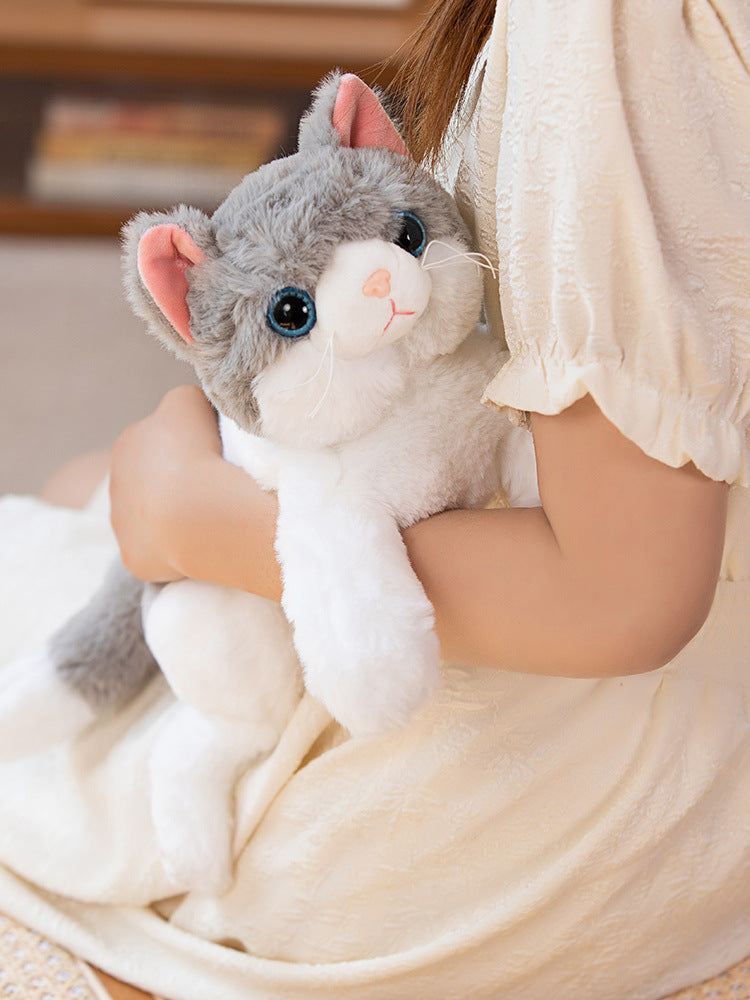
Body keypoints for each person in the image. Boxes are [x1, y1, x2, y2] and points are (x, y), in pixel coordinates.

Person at [1, 0, 749, 997]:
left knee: (72, 559)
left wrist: (187, 519)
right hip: (476, 503)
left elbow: (624, 594)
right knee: (87, 483)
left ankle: (199, 751)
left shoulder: (609, 29)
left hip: (593, 749)